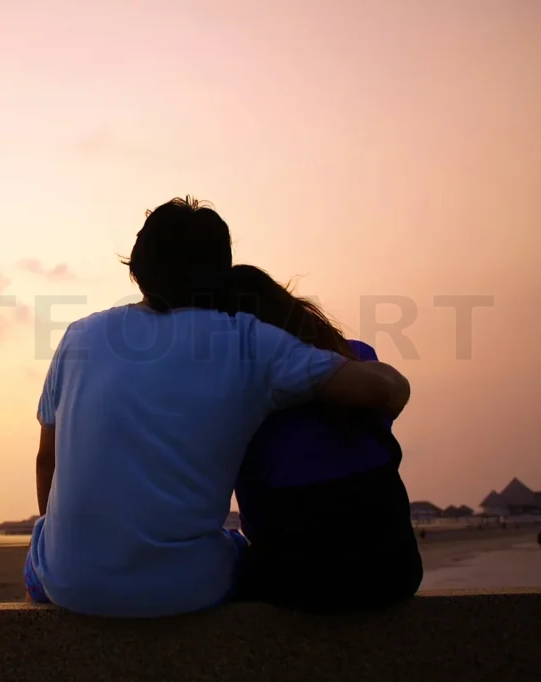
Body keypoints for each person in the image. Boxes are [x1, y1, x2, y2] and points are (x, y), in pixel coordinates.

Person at [24, 197, 412, 617]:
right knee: (236, 546)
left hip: (69, 583)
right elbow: (388, 390)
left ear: (136, 270)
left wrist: (70, 546)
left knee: (41, 558)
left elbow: (48, 461)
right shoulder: (249, 341)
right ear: (221, 272)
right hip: (187, 588)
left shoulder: (80, 337)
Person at [218, 264, 422, 611]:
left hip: (301, 577)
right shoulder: (357, 356)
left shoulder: (241, 383)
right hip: (395, 568)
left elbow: (253, 512)